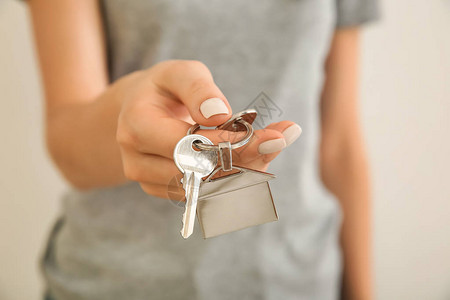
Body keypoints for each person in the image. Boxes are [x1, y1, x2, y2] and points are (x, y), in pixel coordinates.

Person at [27, 0, 378, 299]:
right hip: (118, 280)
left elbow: (339, 145)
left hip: (297, 278)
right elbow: (69, 146)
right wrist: (127, 108)